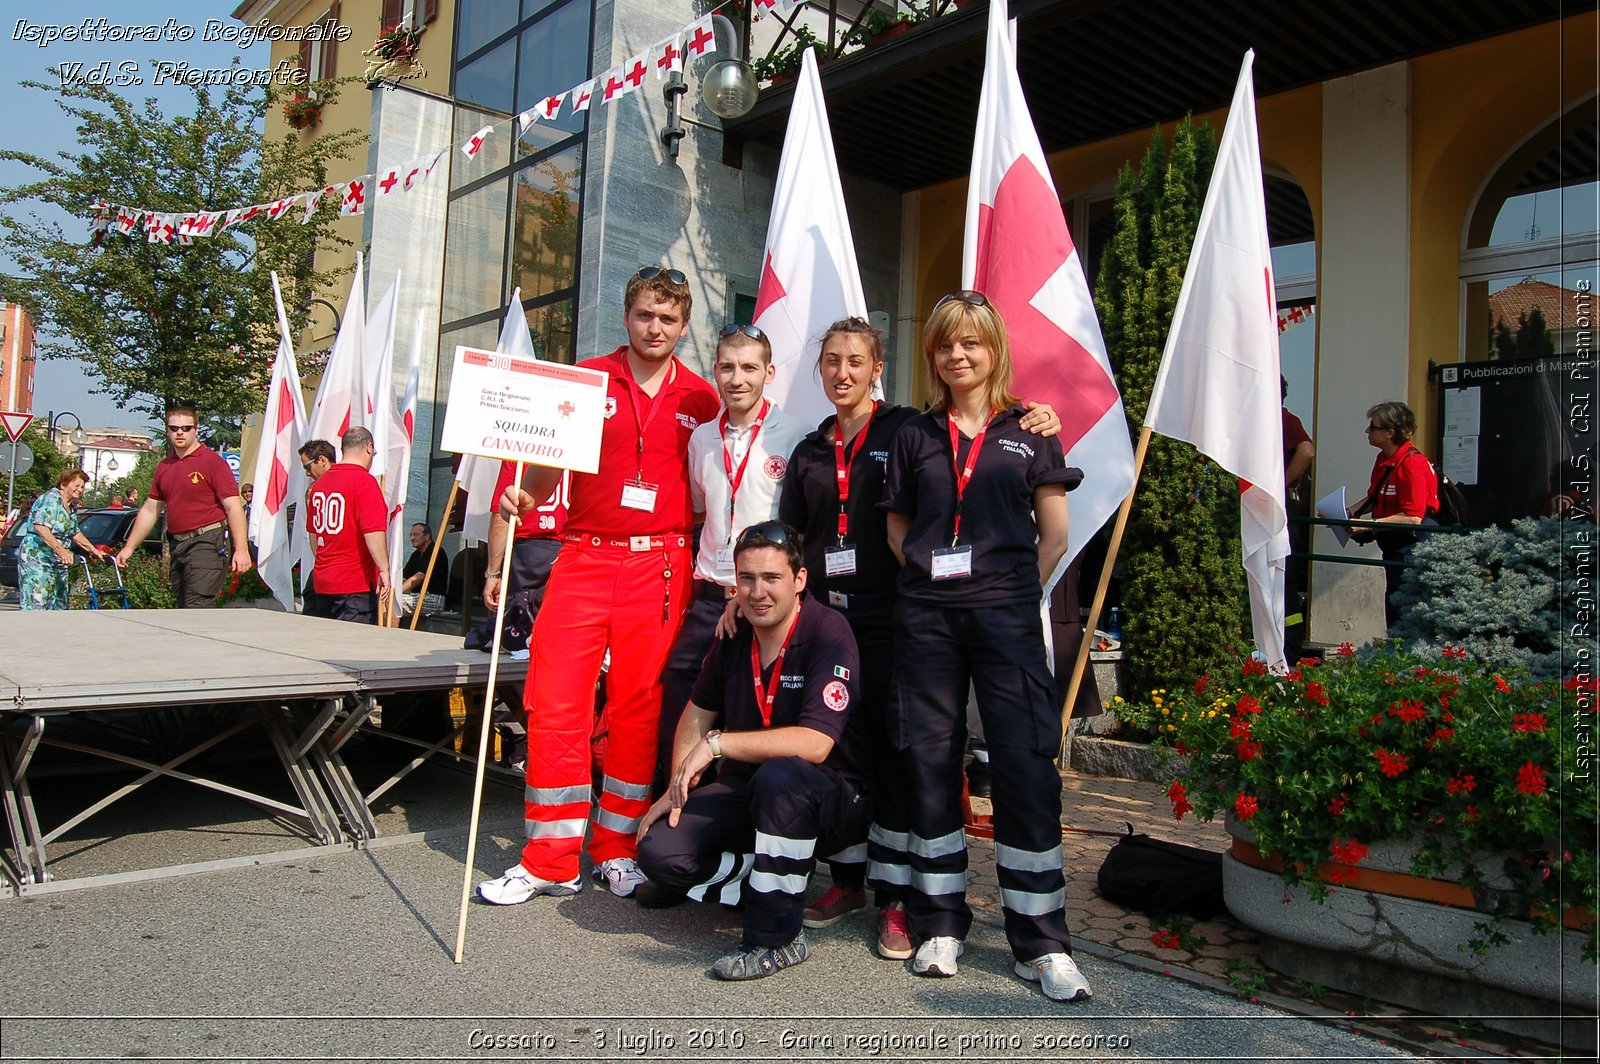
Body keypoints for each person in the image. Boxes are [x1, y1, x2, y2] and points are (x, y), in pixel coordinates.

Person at [776, 315, 1062, 955]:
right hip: (832, 617)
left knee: (905, 755)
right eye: (831, 360)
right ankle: (852, 879)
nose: (843, 372)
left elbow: (988, 444)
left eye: (857, 360)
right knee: (846, 750)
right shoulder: (811, 449)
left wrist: (1038, 413)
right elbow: (795, 541)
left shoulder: (904, 428)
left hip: (900, 615)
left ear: (879, 368)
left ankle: (902, 900)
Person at [480, 266, 719, 905]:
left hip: (663, 563)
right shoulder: (584, 380)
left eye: (668, 318)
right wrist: (516, 495)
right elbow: (540, 469)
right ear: (626, 315)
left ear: (684, 325)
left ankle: (616, 848)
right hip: (584, 554)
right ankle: (551, 856)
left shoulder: (702, 398)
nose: (656, 327)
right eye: (646, 314)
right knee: (555, 698)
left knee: (638, 710)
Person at [879, 291, 1090, 1002]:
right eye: (945, 345)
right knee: (931, 764)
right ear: (933, 354)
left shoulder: (1031, 429)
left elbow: (1054, 534)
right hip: (930, 619)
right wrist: (938, 585)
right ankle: (942, 921)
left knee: (1026, 766)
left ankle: (1042, 939)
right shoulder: (914, 434)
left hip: (1003, 616)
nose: (957, 355)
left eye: (971, 342)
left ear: (994, 348)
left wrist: (1006, 589)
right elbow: (897, 533)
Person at [635, 521, 868, 980]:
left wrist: (717, 746)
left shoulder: (828, 630)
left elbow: (815, 744)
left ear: (800, 582)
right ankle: (767, 880)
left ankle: (776, 937)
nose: (758, 592)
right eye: (747, 579)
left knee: (782, 776)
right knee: (660, 856)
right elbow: (697, 713)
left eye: (772, 579)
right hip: (748, 789)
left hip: (828, 797)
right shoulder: (733, 632)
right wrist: (675, 788)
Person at [657, 323, 809, 788]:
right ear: (715, 371)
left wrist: (750, 596)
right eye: (727, 366)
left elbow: (798, 525)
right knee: (681, 697)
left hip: (763, 600)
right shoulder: (701, 438)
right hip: (709, 596)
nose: (737, 378)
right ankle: (678, 804)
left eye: (749, 367)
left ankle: (740, 826)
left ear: (769, 372)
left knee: (751, 710)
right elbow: (703, 512)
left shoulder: (796, 434)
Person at [115, 405, 250, 607]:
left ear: (196, 429)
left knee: (197, 607)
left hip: (206, 542)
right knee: (182, 610)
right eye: (174, 428)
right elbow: (151, 509)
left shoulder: (212, 463)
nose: (180, 432)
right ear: (167, 430)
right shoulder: (165, 467)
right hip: (178, 544)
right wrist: (129, 547)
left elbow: (233, 507)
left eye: (186, 428)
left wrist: (242, 549)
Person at [1349, 400, 1437, 625]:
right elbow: (1376, 496)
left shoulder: (1412, 464)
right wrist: (1349, 511)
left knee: (1405, 612)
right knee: (1394, 604)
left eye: (1373, 426)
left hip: (1412, 548)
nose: (1367, 431)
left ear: (1390, 433)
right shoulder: (1385, 459)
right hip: (1394, 546)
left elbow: (1413, 517)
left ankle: (1408, 658)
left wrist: (1367, 525)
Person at [304, 427, 391, 624]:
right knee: (352, 646)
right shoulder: (364, 482)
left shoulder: (319, 484)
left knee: (326, 642)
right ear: (368, 448)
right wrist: (384, 569)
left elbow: (312, 533)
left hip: (324, 579)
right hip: (355, 583)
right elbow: (373, 531)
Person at [18, 469, 106, 610]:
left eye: (82, 487)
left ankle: (54, 631)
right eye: (76, 485)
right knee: (38, 601)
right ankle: (33, 630)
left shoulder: (72, 506)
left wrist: (94, 550)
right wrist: (62, 552)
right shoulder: (52, 499)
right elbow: (41, 527)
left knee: (59, 602)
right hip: (38, 556)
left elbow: (74, 532)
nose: (80, 490)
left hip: (58, 559)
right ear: (64, 484)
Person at [1281, 377, 1315, 660]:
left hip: (1277, 508)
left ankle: (1289, 650)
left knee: (1284, 581)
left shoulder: (1282, 419)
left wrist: (1280, 482)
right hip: (1272, 506)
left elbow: (1306, 450)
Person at [398, 522, 450, 618]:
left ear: (427, 536)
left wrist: (397, 592)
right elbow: (405, 576)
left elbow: (420, 576)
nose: (412, 538)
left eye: (416, 534)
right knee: (389, 600)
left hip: (434, 598)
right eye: (411, 535)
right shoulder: (416, 554)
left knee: (396, 601)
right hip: (417, 596)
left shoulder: (435, 551)